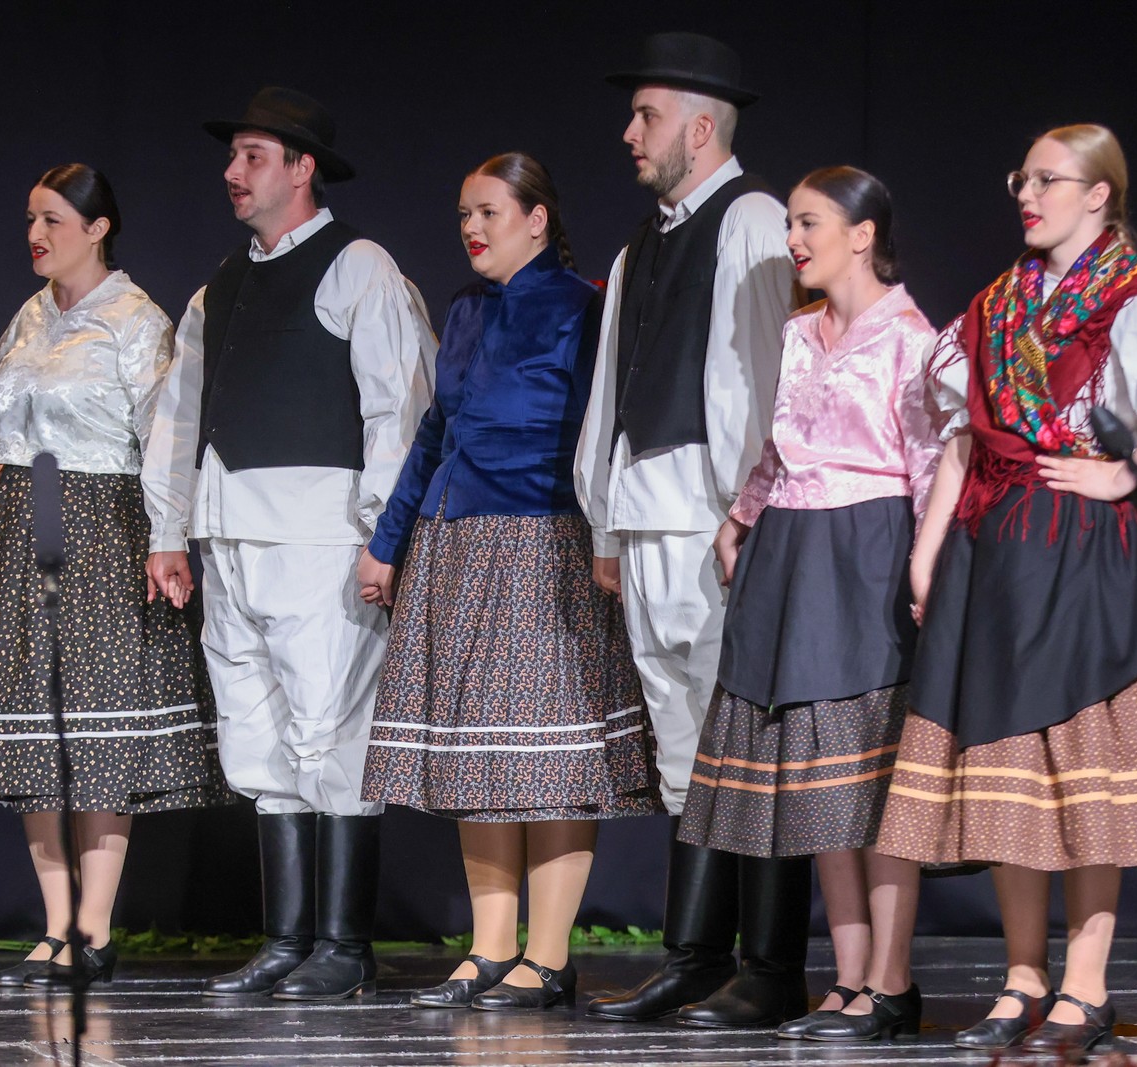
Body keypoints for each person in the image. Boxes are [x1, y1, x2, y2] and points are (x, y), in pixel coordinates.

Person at [874, 124, 1137, 1057]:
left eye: (1048, 179)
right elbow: (963, 440)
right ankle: (1022, 978)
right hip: (996, 550)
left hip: (1091, 551)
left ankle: (1085, 986)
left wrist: (1131, 471)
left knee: (1089, 778)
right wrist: (928, 546)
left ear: (1098, 195)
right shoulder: (998, 305)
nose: (1027, 193)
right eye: (1023, 177)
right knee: (1009, 774)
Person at [141, 87, 436, 1001]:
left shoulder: (358, 267)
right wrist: (169, 528)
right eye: (233, 156)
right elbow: (178, 415)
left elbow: (398, 408)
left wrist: (386, 532)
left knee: (329, 724)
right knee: (257, 728)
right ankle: (286, 937)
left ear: (302, 168)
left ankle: (344, 943)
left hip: (321, 532)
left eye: (254, 156)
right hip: (231, 528)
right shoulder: (218, 285)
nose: (234, 173)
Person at [360, 152, 661, 1011]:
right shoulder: (464, 309)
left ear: (537, 219)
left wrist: (606, 535)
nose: (471, 227)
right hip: (455, 544)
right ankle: (491, 946)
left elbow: (602, 431)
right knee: (479, 754)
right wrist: (389, 540)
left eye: (488, 211)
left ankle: (550, 954)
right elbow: (435, 431)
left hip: (543, 540)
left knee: (550, 755)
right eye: (464, 213)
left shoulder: (579, 307)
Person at [0, 163, 230, 989]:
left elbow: (168, 435)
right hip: (21, 532)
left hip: (104, 530)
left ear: (97, 228)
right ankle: (56, 923)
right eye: (31, 219)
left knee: (97, 731)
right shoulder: (32, 314)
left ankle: (93, 928)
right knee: (38, 730)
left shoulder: (135, 319)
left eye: (53, 220)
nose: (36, 235)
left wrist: (165, 537)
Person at [679, 166, 940, 1039]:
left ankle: (891, 983)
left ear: (863, 235)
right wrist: (741, 516)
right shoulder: (799, 331)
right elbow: (780, 447)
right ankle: (849, 978)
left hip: (866, 551)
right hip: (790, 549)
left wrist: (930, 562)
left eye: (809, 223)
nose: (793, 240)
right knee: (820, 780)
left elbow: (932, 463)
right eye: (791, 224)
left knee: (871, 775)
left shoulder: (912, 337)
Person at [573, 32, 802, 1027]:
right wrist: (606, 519)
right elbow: (612, 389)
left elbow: (765, 373)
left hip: (714, 517)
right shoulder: (641, 244)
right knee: (683, 741)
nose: (631, 133)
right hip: (648, 513)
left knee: (741, 736)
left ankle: (769, 963)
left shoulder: (749, 217)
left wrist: (751, 510)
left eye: (647, 116)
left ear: (700, 128)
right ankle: (693, 954)